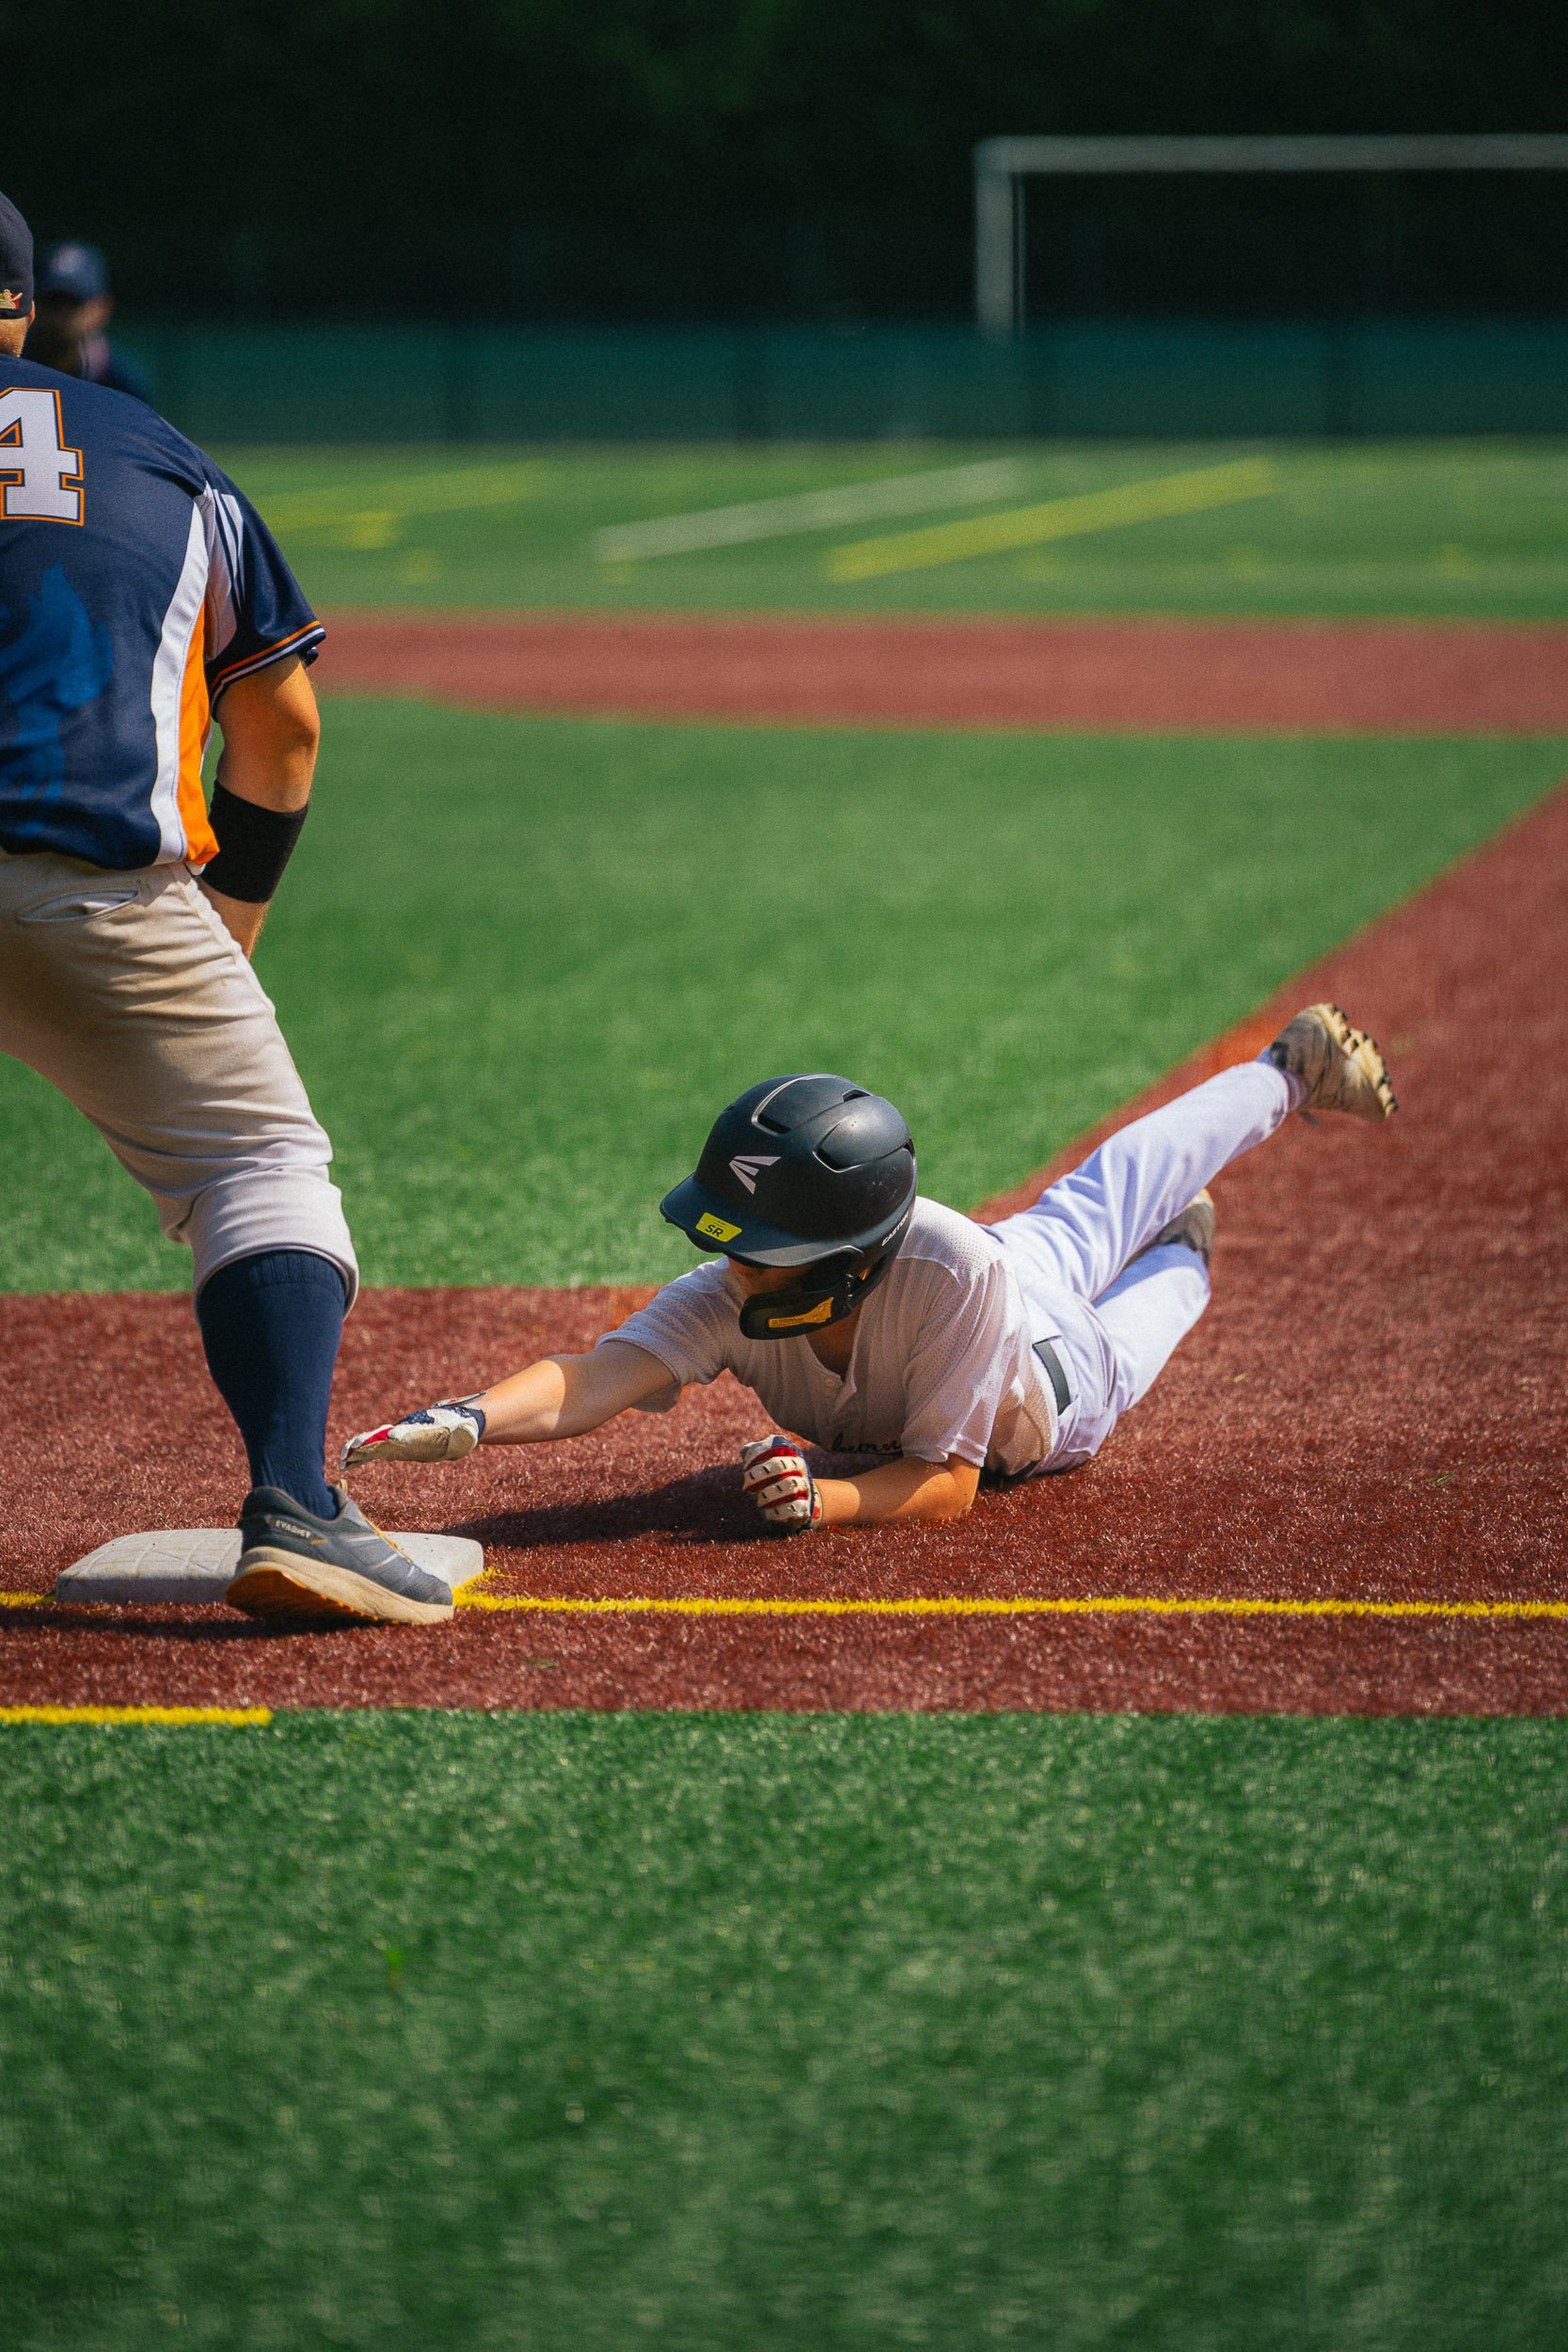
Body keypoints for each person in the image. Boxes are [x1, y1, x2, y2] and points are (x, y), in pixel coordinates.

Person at [0, 187, 451, 1627]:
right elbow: (286, 724)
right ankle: (296, 1505)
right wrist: (233, 923)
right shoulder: (157, 452)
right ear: (23, 308)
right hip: (83, 876)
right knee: (256, 1161)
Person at [341, 1006, 1397, 1534]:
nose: (728, 1269)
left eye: (756, 1249)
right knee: (1107, 1185)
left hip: (1056, 1381)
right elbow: (595, 1374)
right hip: (995, 1273)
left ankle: (1190, 1240)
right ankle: (1280, 1075)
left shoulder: (949, 1267)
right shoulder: (734, 1294)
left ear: (842, 1257)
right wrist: (473, 1417)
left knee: (1157, 1301)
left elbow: (947, 1483)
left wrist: (827, 1498)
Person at [23, 240, 152, 405]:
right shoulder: (12, 363)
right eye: (53, 301)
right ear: (33, 303)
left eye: (73, 302)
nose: (61, 312)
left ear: (102, 308)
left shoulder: (121, 381)